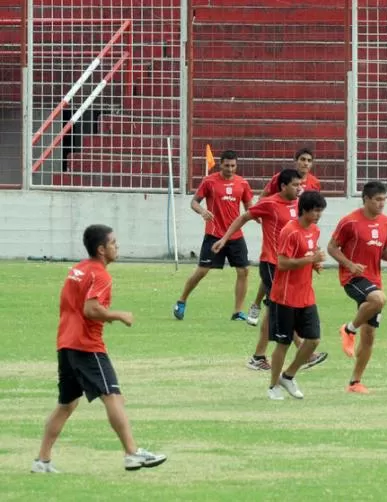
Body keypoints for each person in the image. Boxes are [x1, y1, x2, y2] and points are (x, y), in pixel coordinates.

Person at [33, 225, 167, 473]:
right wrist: (119, 315)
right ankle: (132, 454)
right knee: (112, 396)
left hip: (66, 344)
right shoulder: (101, 275)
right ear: (101, 249)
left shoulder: (77, 269)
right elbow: (90, 309)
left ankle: (42, 461)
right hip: (87, 346)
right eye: (114, 243)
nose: (118, 247)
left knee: (67, 404)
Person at [215, 168, 327, 372]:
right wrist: (224, 239)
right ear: (283, 186)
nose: (299, 188)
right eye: (295, 185)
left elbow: (304, 233)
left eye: (301, 185)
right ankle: (306, 352)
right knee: (283, 308)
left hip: (292, 267)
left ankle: (258, 357)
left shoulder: (298, 205)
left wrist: (312, 259)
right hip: (271, 263)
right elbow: (244, 217)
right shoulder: (270, 203)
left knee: (273, 311)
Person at [329, 181, 387, 394]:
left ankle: (355, 382)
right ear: (366, 199)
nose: (382, 203)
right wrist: (350, 265)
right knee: (379, 299)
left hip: (374, 280)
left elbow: (382, 250)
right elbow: (332, 247)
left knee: (368, 337)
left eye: (384, 199)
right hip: (353, 278)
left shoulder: (386, 223)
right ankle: (348, 329)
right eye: (377, 199)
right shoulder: (349, 222)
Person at [174, 150, 254, 322]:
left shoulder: (243, 183)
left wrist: (259, 216)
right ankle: (182, 300)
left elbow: (249, 208)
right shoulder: (209, 181)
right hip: (214, 235)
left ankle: (237, 312)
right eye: (227, 165)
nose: (230, 169)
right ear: (220, 164)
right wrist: (203, 211)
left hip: (235, 236)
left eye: (233, 166)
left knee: (244, 271)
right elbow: (194, 202)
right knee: (202, 271)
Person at [266, 191, 328, 400]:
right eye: (316, 210)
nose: (319, 215)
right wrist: (309, 261)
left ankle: (289, 375)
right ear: (304, 209)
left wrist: (315, 263)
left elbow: (309, 255)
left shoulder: (315, 231)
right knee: (282, 343)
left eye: (321, 211)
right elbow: (282, 263)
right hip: (285, 296)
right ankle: (273, 386)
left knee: (314, 340)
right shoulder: (289, 231)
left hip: (305, 295)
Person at [249, 148, 321, 325]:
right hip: (279, 227)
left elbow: (314, 208)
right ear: (296, 161)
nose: (305, 163)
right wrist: (262, 213)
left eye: (309, 160)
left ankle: (262, 306)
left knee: (276, 276)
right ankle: (259, 304)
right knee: (274, 270)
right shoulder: (282, 178)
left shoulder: (314, 183)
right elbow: (265, 197)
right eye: (302, 159)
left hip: (298, 231)